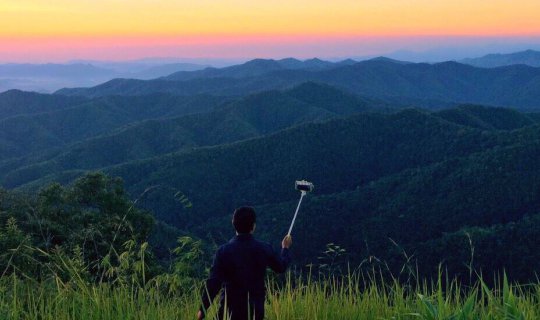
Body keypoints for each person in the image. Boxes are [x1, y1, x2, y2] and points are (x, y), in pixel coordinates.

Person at [197, 206, 292, 320]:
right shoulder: (264, 249)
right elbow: (281, 267)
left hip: (228, 312)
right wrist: (285, 248)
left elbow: (213, 283)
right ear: (253, 226)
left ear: (233, 223)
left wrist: (203, 309)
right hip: (255, 313)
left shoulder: (223, 251)